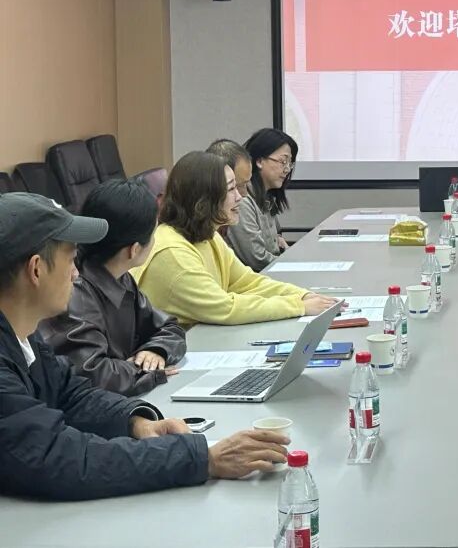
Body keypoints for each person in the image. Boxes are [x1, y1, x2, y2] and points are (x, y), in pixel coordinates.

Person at [0, 192, 292, 500]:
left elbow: (71, 395)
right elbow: (62, 459)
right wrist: (202, 459)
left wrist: (136, 423)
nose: (76, 274)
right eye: (71, 260)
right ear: (36, 269)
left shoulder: (24, 336)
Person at [134, 151, 337, 327]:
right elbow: (225, 308)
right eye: (231, 189)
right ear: (204, 199)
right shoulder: (172, 254)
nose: (241, 197)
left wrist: (303, 295)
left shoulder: (206, 234)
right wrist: (298, 306)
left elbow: (246, 282)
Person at [38, 180, 187, 396]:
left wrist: (155, 350)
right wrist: (146, 370)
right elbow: (94, 375)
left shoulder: (120, 277)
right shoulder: (74, 291)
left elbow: (169, 328)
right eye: (153, 234)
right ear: (134, 250)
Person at [227, 128, 296, 271]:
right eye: (283, 161)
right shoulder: (242, 199)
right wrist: (292, 263)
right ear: (259, 161)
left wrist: (279, 241)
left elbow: (274, 239)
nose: (287, 169)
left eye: (290, 163)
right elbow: (257, 259)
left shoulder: (266, 196)